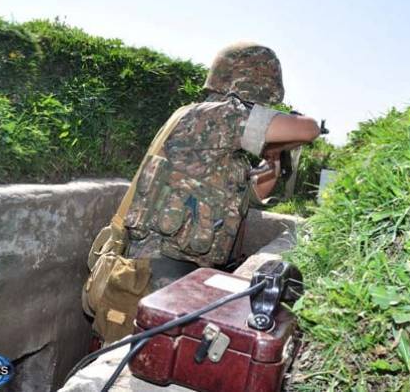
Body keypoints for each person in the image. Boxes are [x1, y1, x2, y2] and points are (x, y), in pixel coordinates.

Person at [83, 42, 320, 344]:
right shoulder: (213, 117)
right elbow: (308, 129)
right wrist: (286, 130)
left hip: (184, 273)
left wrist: (273, 155)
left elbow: (255, 191)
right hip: (153, 273)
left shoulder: (221, 143)